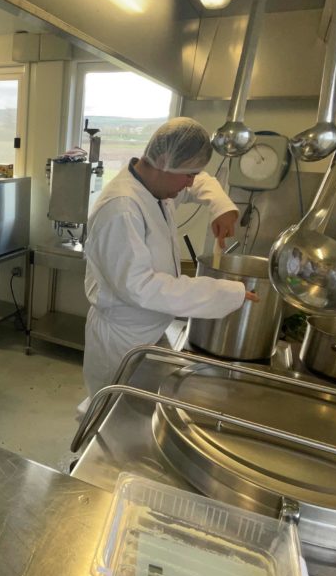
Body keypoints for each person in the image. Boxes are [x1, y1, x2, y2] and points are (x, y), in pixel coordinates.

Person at [82, 117, 258, 398]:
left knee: (139, 408)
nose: (191, 182)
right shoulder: (122, 209)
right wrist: (221, 293)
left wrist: (221, 206)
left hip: (149, 329)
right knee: (111, 411)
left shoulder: (155, 187)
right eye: (189, 174)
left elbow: (200, 183)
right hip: (123, 340)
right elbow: (142, 288)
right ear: (164, 161)